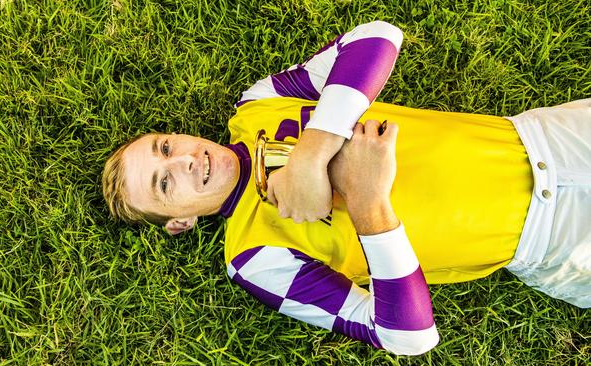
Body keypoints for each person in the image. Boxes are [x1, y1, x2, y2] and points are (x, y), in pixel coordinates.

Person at [101, 20, 591, 355]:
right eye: (165, 183)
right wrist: (367, 202)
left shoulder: (257, 106)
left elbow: (378, 36)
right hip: (559, 245)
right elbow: (407, 336)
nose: (186, 160)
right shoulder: (253, 257)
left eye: (165, 147)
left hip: (552, 138)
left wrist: (313, 155)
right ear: (181, 222)